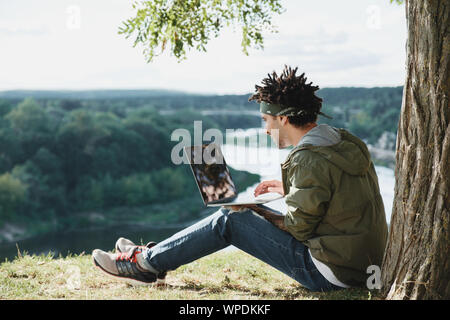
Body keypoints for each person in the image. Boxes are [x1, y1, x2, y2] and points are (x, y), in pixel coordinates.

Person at [92, 65, 388, 291]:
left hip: (332, 273)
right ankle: (151, 255)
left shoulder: (308, 158)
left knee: (230, 219)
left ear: (283, 118)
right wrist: (291, 187)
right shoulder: (344, 142)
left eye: (265, 120)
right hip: (364, 265)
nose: (265, 129)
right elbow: (341, 190)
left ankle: (145, 265)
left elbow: (299, 230)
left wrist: (255, 208)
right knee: (238, 211)